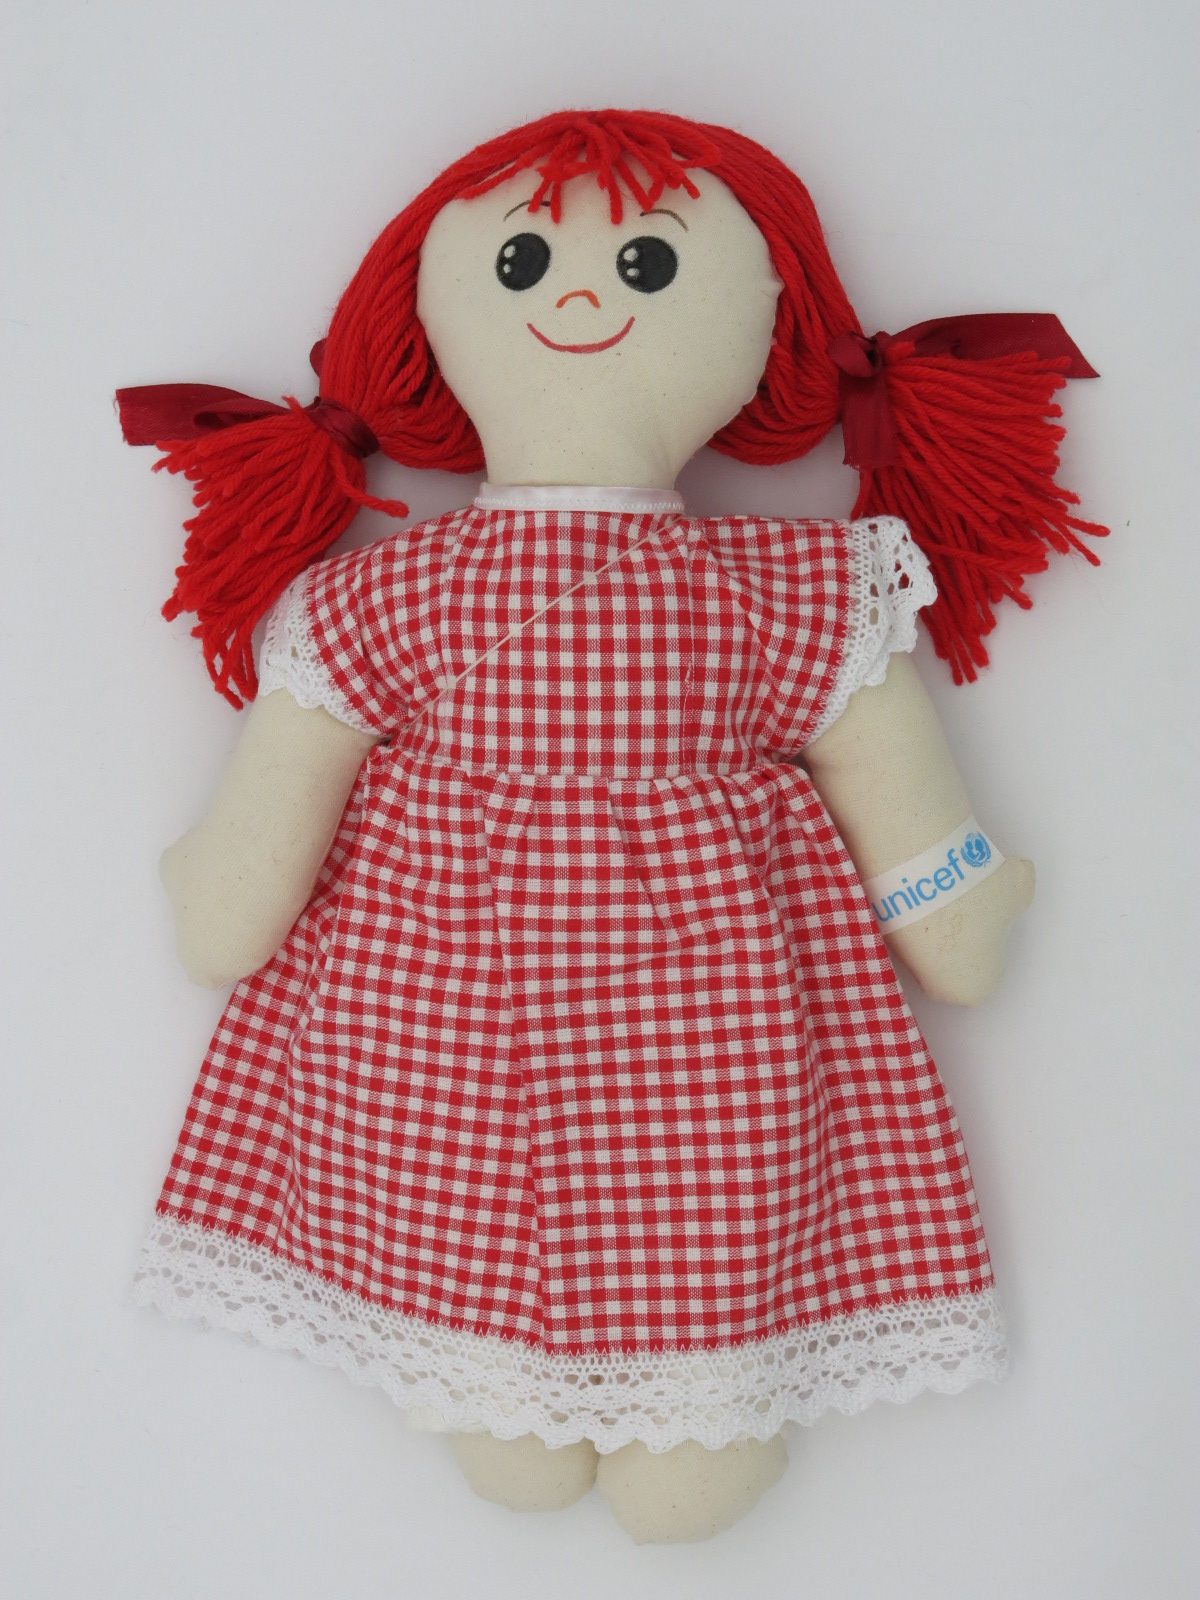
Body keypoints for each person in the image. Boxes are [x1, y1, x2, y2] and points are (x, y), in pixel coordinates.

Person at [118, 108, 1102, 1543]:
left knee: (710, 1191)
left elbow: (888, 774)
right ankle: (486, 1373)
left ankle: (699, 1399)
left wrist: (951, 896)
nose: (580, 296)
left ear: (769, 326)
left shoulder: (790, 590)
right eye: (522, 264)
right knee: (447, 1171)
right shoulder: (389, 595)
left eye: (647, 265)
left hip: (707, 1017)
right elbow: (274, 818)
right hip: (438, 1005)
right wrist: (227, 884)